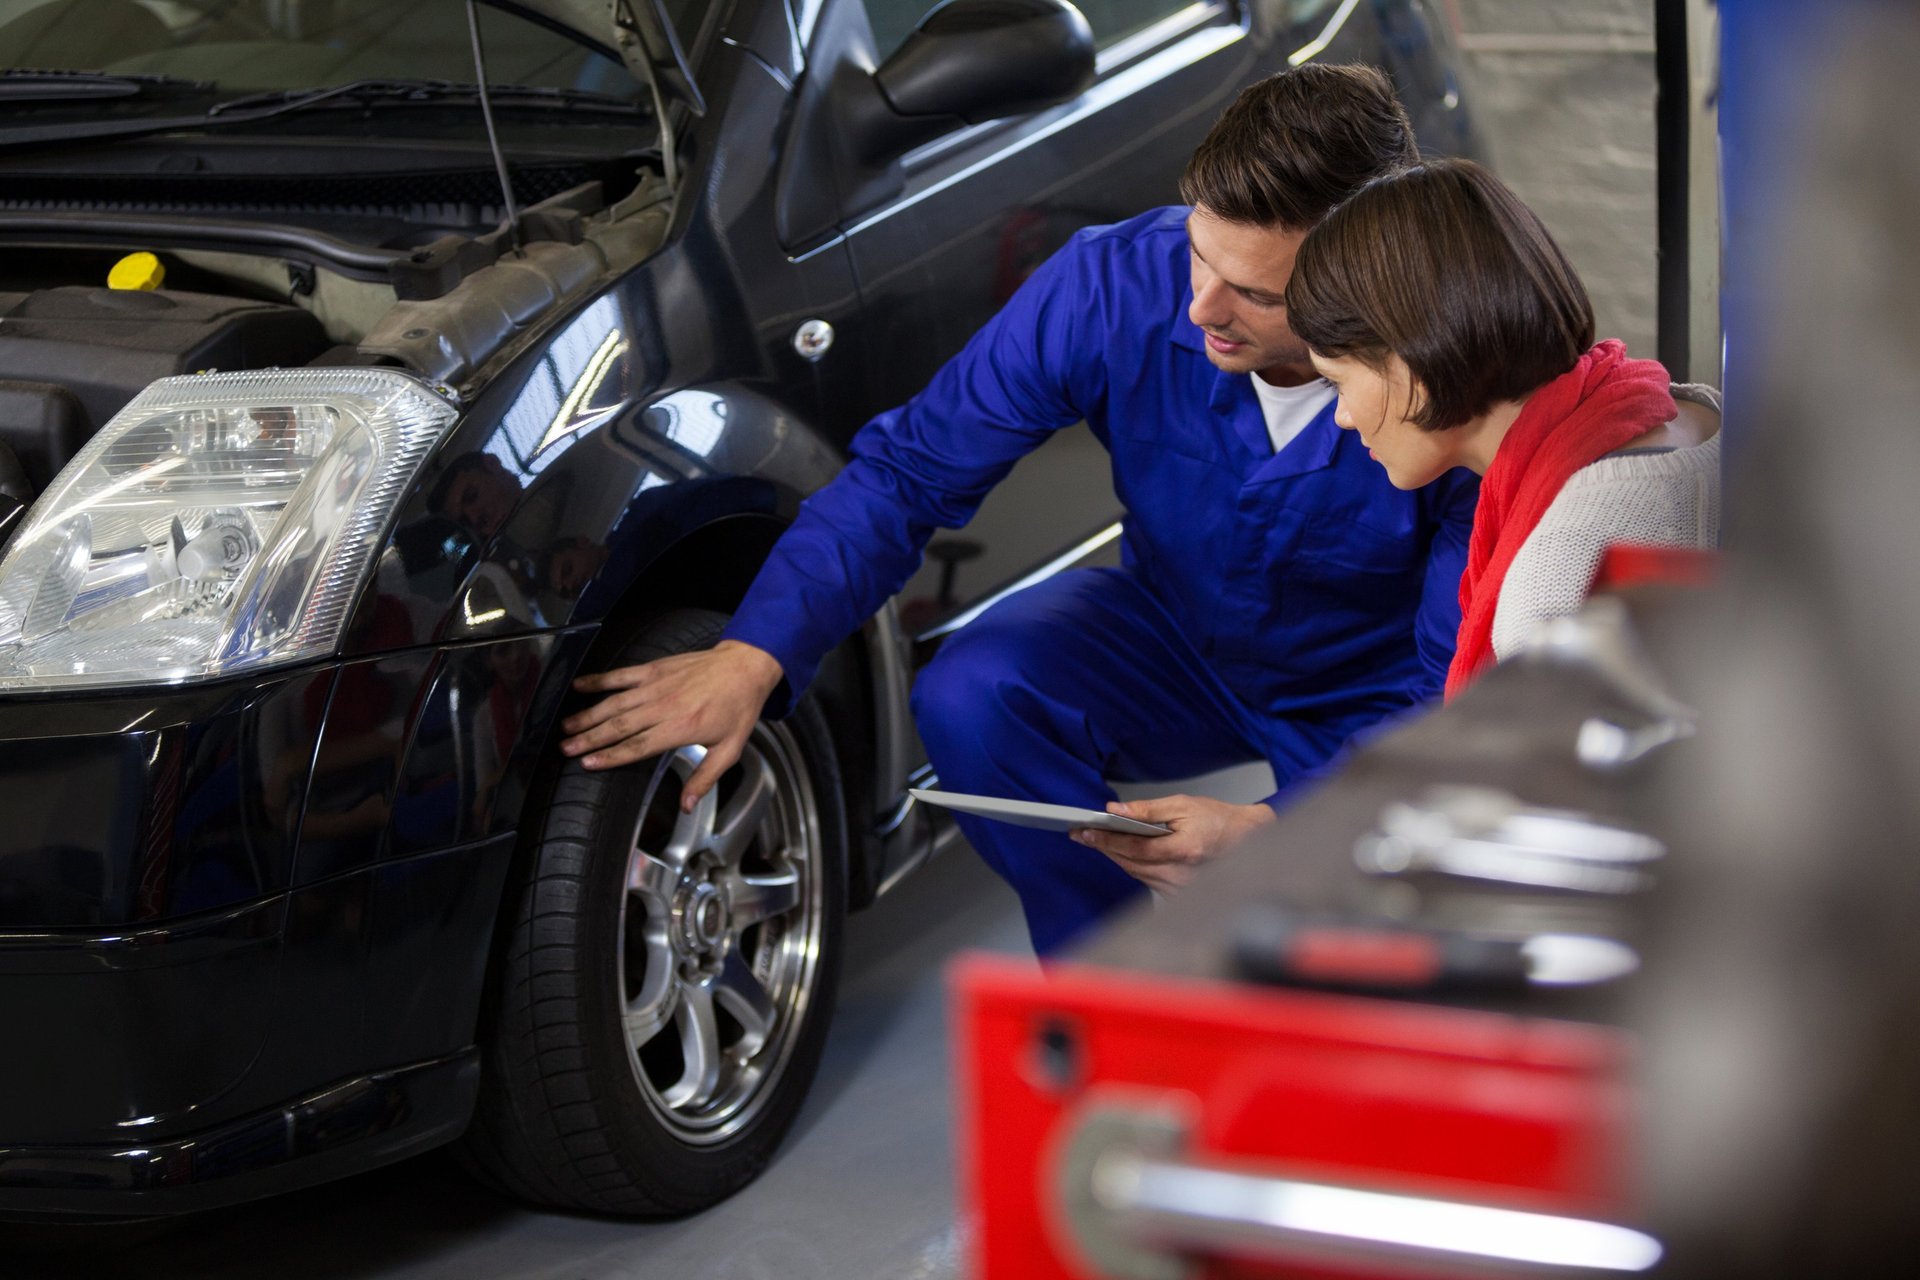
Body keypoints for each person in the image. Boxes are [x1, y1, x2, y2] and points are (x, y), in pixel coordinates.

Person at [558, 66, 1479, 955]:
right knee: (976, 692)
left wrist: (1275, 828)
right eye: (1201, 255)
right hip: (1173, 637)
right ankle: (1110, 975)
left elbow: (1454, 684)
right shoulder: (1112, 287)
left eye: (1258, 293)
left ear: (1364, 277)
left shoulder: (1461, 371)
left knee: (1380, 965)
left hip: (1376, 692)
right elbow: (911, 471)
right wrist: (755, 651)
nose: (1203, 308)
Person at [1078, 157, 1722, 892]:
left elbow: (1559, 871)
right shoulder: (1693, 416)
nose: (1345, 418)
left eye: (1344, 382)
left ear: (1414, 366)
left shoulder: (1555, 579)